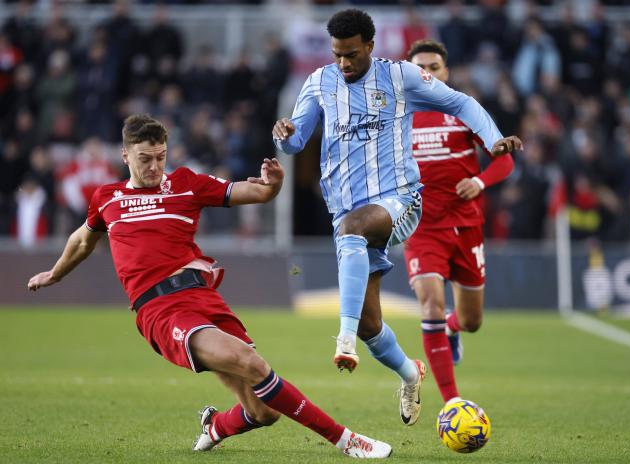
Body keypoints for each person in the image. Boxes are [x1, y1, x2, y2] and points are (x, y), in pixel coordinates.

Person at [27, 114, 392, 459]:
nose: (154, 167)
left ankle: (215, 425)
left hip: (203, 297)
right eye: (144, 159)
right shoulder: (107, 198)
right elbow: (81, 240)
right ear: (125, 156)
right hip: (160, 310)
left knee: (264, 411)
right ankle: (347, 441)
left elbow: (257, 193)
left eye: (160, 157)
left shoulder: (186, 183)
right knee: (248, 361)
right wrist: (55, 273)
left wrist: (273, 184)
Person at [272, 9, 521, 427]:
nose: (344, 63)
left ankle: (343, 338)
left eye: (351, 54)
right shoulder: (319, 82)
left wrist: (494, 139)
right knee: (373, 325)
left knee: (355, 234)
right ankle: (409, 372)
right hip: (347, 212)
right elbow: (296, 141)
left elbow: (460, 101)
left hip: (401, 201)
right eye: (338, 55)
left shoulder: (401, 77)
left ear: (370, 46)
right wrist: (284, 134)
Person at [404, 39, 515, 405]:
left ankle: (453, 328)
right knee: (431, 304)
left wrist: (480, 181)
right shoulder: (397, 116)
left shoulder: (464, 110)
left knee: (471, 321)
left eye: (434, 67)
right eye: (420, 68)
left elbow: (503, 159)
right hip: (422, 229)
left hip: (466, 227)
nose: (428, 74)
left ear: (445, 72)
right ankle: (453, 402)